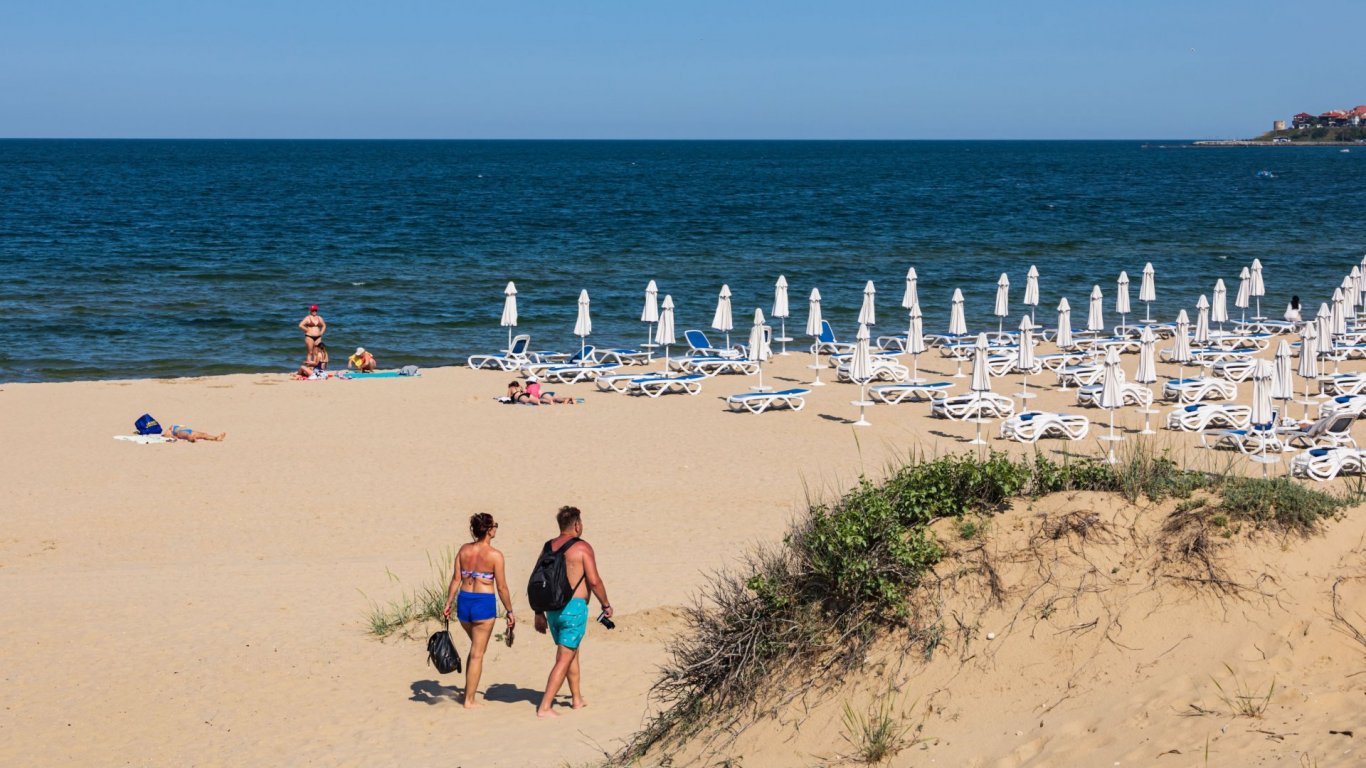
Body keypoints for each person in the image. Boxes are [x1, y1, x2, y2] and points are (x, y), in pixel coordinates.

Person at [534, 506, 611, 718]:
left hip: (551, 609)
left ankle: (577, 699)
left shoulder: (548, 547)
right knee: (563, 658)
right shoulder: (582, 548)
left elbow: (538, 580)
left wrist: (538, 612)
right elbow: (594, 581)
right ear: (576, 525)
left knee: (571, 653)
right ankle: (545, 706)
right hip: (574, 609)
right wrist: (605, 604)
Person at [442, 513, 516, 709]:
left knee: (475, 648)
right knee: (477, 653)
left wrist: (448, 603)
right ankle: (469, 700)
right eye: (495, 525)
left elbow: (456, 579)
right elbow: (502, 588)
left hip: (464, 601)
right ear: (489, 530)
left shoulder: (464, 550)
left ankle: (468, 692)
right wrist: (509, 611)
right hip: (483, 602)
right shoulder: (495, 555)